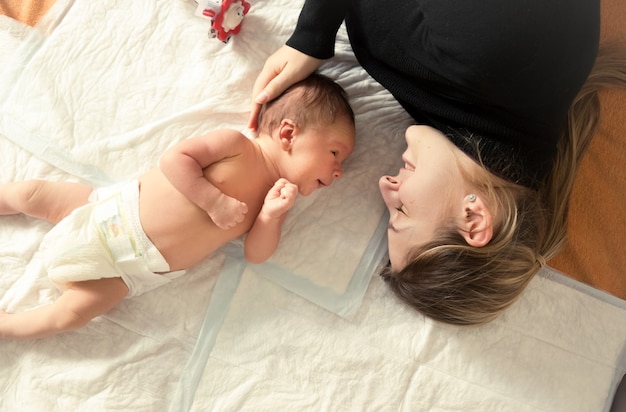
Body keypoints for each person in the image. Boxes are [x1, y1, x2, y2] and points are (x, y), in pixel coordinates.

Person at [248, 0, 626, 325]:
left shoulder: (484, 112)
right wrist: (312, 36)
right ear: (473, 219)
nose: (384, 185)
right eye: (401, 213)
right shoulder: (493, 56)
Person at [0, 73, 356, 339]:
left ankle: (7, 328)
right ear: (288, 134)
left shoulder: (275, 200)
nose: (339, 172)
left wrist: (270, 217)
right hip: (107, 211)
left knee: (69, 316)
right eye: (336, 153)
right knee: (33, 194)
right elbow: (175, 160)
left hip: (127, 272)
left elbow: (256, 254)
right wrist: (212, 200)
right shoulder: (236, 145)